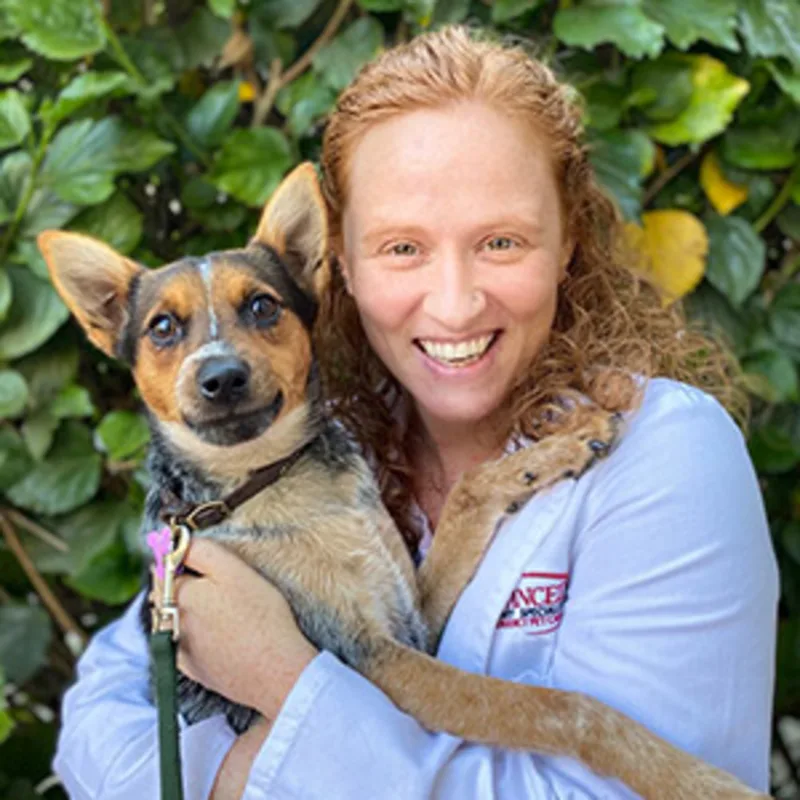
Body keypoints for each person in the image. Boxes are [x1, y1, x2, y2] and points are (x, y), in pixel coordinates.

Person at [53, 25, 778, 799]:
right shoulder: (302, 448)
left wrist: (282, 691)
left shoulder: (667, 451)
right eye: (403, 247)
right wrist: (246, 764)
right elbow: (95, 724)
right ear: (344, 266)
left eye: (501, 240)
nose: (455, 301)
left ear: (568, 239)